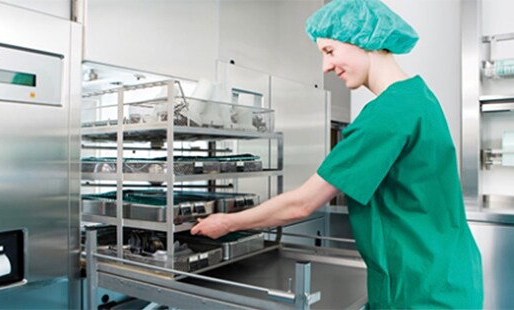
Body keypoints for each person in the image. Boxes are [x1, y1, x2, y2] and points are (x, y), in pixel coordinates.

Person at [191, 0, 484, 308]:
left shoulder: (388, 114)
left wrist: (227, 223)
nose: (325, 67)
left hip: (420, 291)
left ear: (363, 40)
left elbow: (302, 204)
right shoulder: (419, 97)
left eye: (329, 51)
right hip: (449, 276)